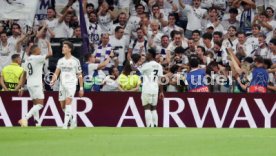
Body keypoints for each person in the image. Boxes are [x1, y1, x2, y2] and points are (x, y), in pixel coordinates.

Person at [50, 41, 84, 129]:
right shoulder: (60, 61)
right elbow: (56, 73)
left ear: (70, 49)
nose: (63, 48)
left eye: (65, 47)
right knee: (63, 106)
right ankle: (72, 122)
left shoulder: (75, 61)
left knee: (68, 103)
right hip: (62, 85)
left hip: (71, 84)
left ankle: (65, 124)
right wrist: (53, 80)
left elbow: (79, 74)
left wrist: (81, 88)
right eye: (63, 47)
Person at [18, 44, 53, 127]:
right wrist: (48, 45)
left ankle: (37, 123)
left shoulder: (27, 60)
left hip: (30, 84)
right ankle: (25, 118)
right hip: (37, 84)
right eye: (39, 49)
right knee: (40, 104)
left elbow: (24, 75)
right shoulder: (37, 58)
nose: (40, 51)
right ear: (35, 51)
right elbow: (50, 54)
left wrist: (22, 87)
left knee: (35, 104)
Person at [137, 48, 164, 127]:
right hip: (155, 88)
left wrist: (132, 61)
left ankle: (149, 126)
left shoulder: (147, 65)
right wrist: (161, 92)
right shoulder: (159, 65)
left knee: (147, 108)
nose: (146, 56)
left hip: (147, 88)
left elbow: (135, 70)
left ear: (151, 55)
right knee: (154, 108)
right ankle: (155, 125)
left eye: (147, 54)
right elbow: (161, 79)